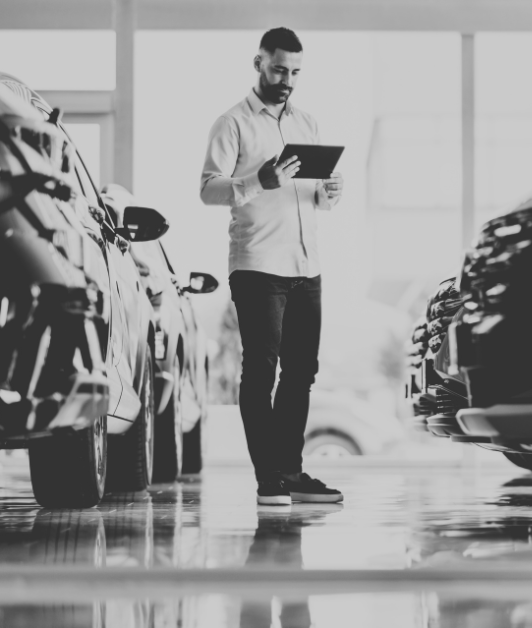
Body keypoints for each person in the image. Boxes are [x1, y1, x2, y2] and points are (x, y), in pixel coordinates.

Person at [200, 27, 344, 506]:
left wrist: (329, 195)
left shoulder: (308, 123)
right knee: (260, 372)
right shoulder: (233, 124)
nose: (287, 79)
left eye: (296, 72)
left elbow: (313, 197)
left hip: (307, 264)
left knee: (301, 372)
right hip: (258, 266)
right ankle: (268, 479)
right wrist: (257, 179)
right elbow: (208, 189)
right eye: (280, 68)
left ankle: (291, 472)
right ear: (258, 62)